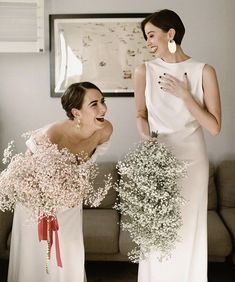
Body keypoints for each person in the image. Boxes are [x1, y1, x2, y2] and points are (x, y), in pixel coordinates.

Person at [134, 9, 221, 282]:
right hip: (158, 159)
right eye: (145, 36)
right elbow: (140, 114)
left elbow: (214, 127)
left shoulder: (204, 71)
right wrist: (146, 136)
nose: (147, 42)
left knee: (187, 229)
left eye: (151, 35)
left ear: (170, 33)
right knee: (156, 230)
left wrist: (186, 96)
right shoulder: (143, 70)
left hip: (192, 161)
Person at [7, 82, 113, 282]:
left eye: (103, 101)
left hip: (70, 202)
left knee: (69, 251)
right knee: (36, 257)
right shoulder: (52, 133)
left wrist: (72, 193)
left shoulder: (104, 130)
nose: (103, 108)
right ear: (76, 112)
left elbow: (85, 169)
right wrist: (45, 201)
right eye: (94, 104)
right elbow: (24, 173)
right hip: (35, 204)